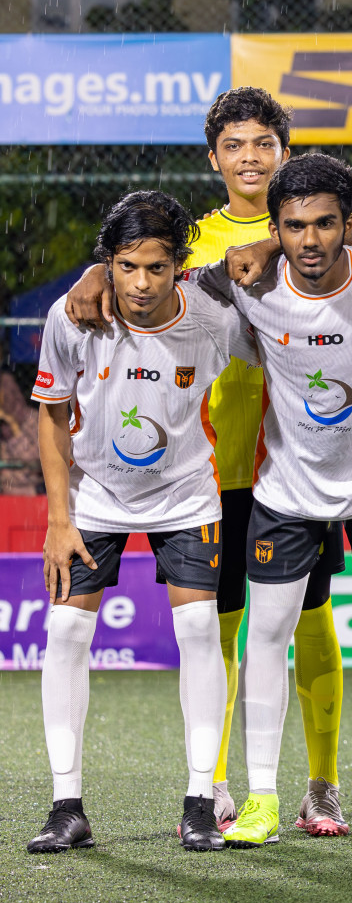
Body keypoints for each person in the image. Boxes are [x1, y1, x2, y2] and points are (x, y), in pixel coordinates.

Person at [65, 87, 352, 835]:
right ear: (215, 157)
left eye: (264, 143)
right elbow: (131, 268)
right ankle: (216, 784)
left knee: (313, 621)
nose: (251, 157)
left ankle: (321, 784)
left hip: (296, 463)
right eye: (236, 145)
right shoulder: (187, 242)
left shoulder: (318, 229)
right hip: (211, 471)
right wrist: (90, 274)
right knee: (218, 629)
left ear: (285, 153)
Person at [190, 153, 352, 849]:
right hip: (286, 492)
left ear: (350, 225)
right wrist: (91, 277)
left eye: (326, 224)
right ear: (275, 229)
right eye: (293, 227)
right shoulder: (249, 288)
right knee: (264, 637)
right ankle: (262, 796)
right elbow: (165, 287)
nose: (311, 240)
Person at [28, 191, 255, 853]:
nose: (142, 282)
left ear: (180, 265)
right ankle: (66, 805)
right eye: (127, 266)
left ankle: (198, 804)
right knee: (65, 631)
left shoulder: (212, 319)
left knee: (198, 633)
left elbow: (284, 347)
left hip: (186, 495)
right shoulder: (71, 317)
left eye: (157, 267)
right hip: (94, 497)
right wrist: (58, 520)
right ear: (108, 263)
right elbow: (50, 413)